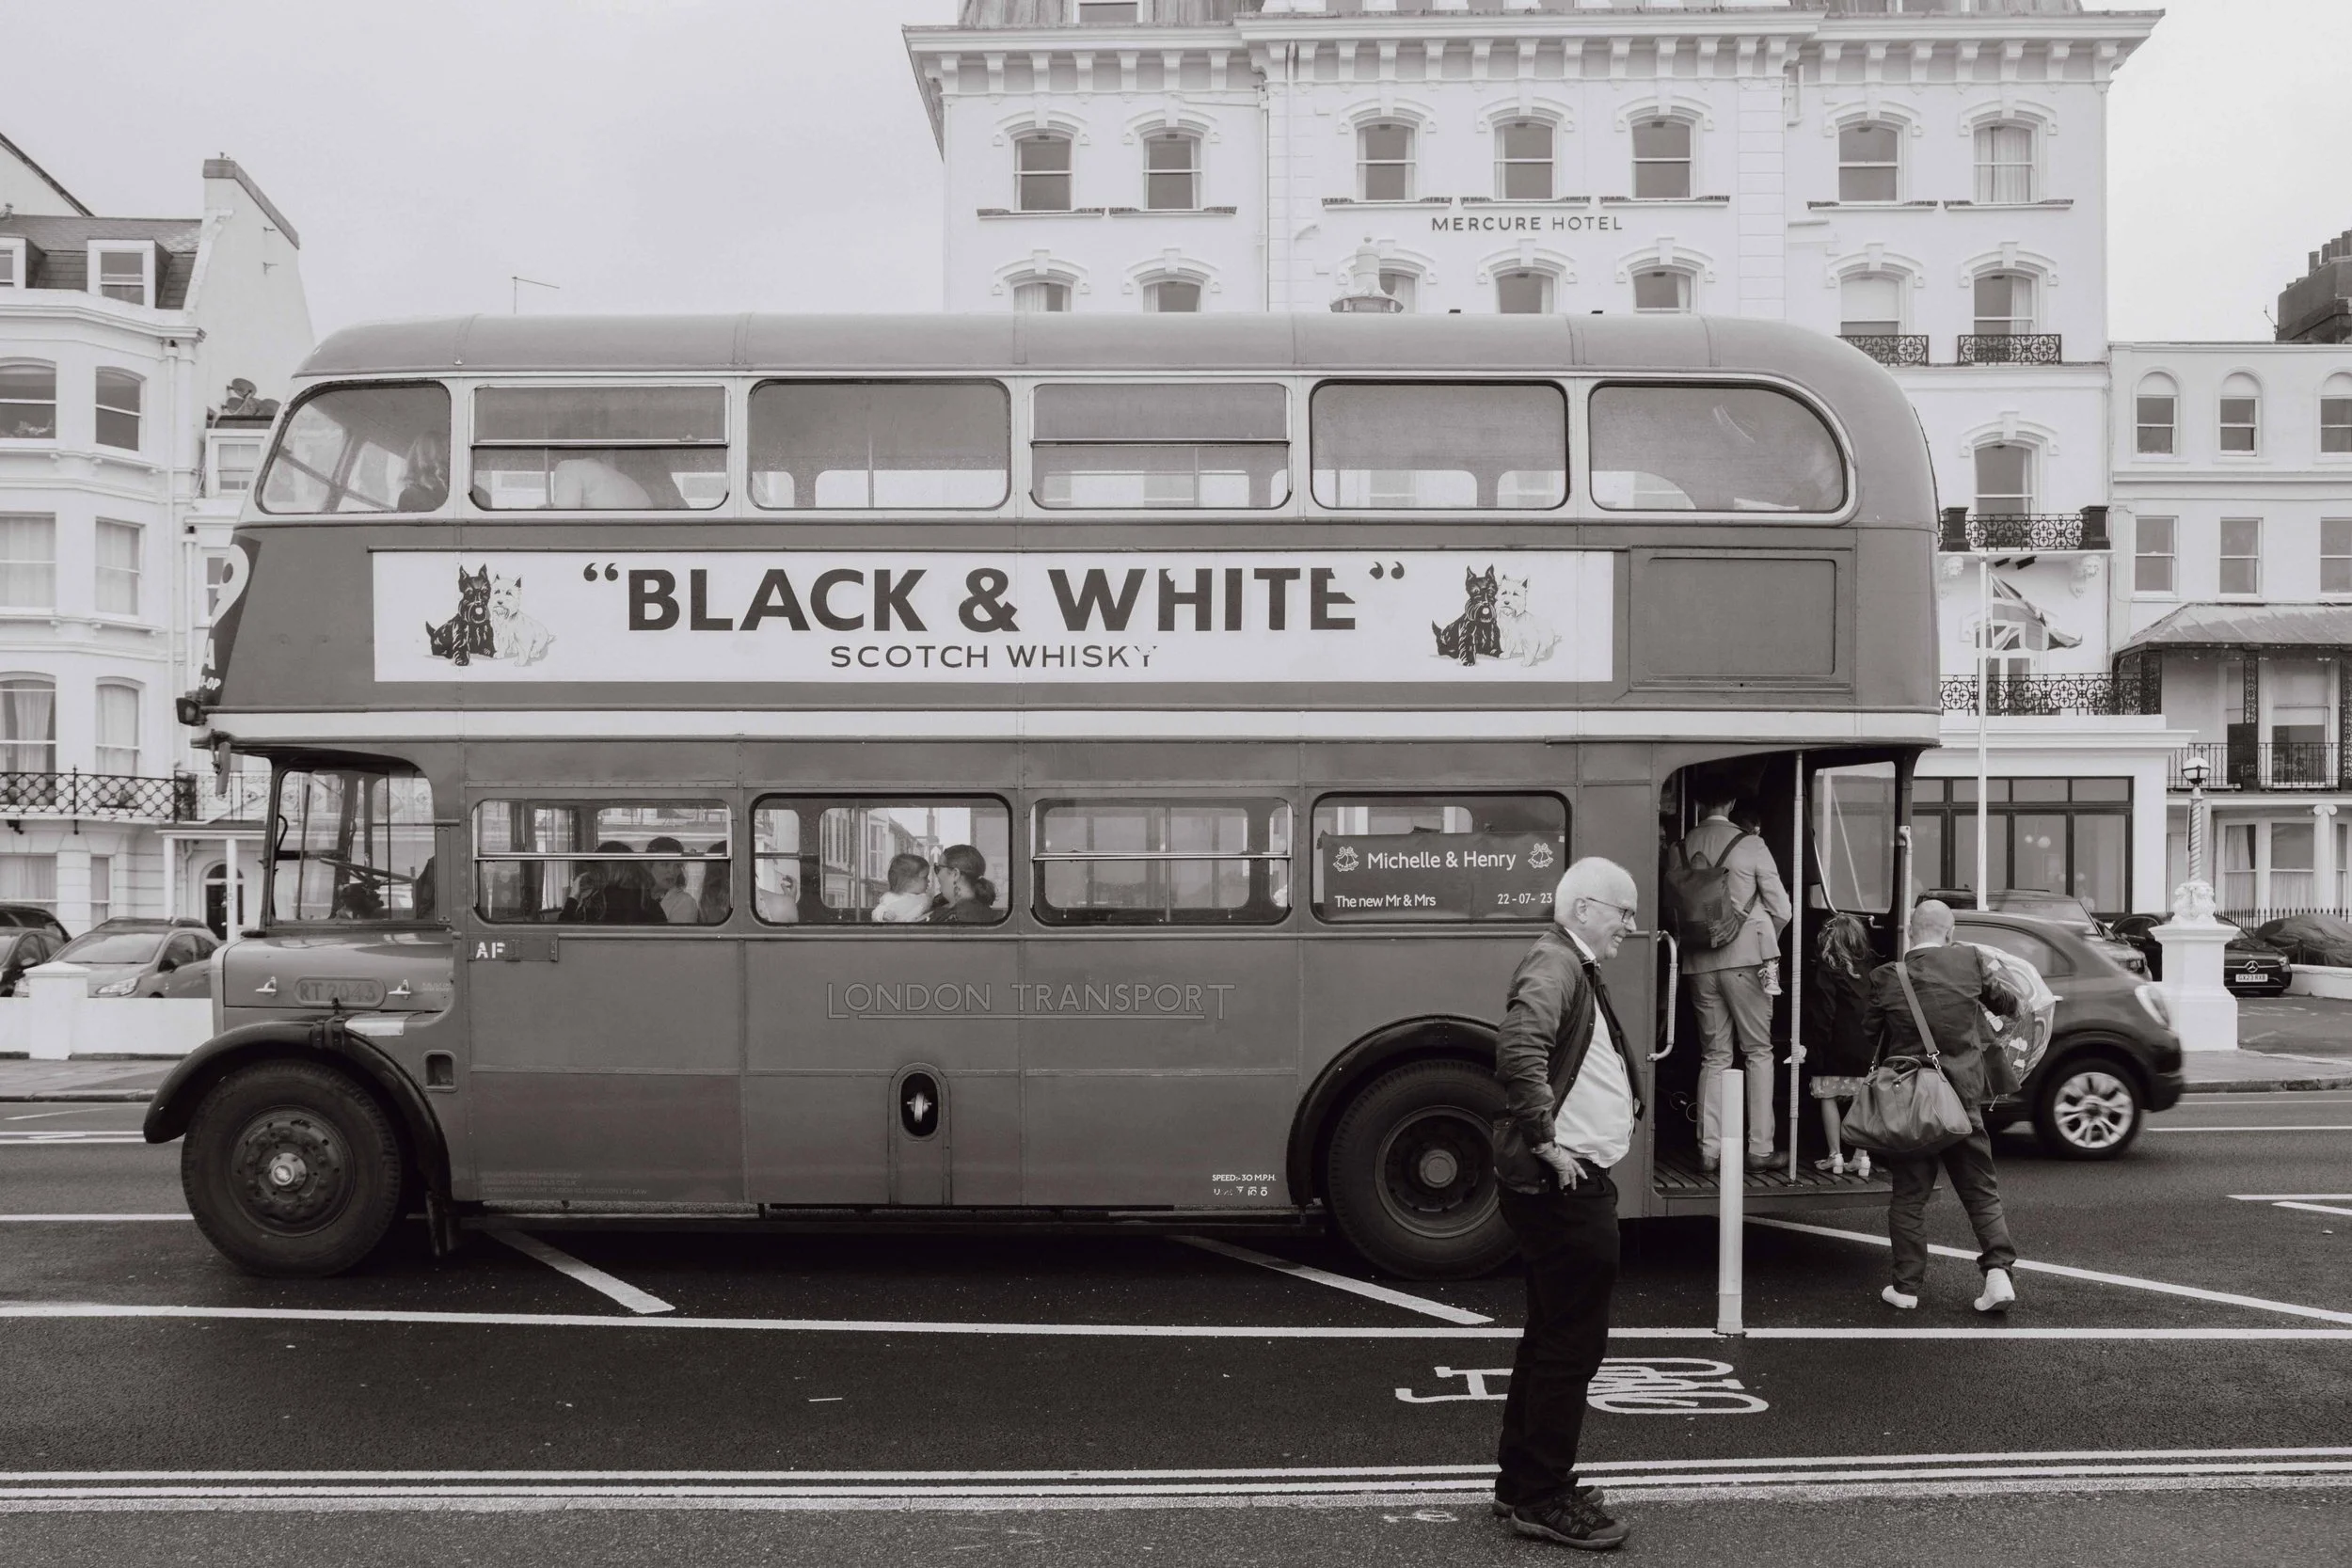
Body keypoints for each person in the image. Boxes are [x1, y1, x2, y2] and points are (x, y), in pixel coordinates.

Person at [1488, 857, 1645, 1554]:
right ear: (1585, 908)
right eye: (1623, 910)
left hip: (1569, 1179)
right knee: (1572, 1340)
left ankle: (1520, 1480)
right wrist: (1548, 1142)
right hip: (1564, 1183)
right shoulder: (1555, 963)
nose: (1631, 925)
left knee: (1550, 1329)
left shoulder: (1569, 964)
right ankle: (1543, 1495)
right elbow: (1520, 1047)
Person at [1865, 898, 2030, 1314]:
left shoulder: (1885, 977)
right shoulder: (1970, 960)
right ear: (1951, 931)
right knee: (1980, 1192)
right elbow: (2010, 1004)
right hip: (1962, 1098)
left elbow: (1866, 1034)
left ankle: (1905, 1288)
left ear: (1909, 932)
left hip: (1911, 1103)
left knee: (1909, 1196)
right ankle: (1997, 1276)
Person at [1678, 792, 1791, 1172]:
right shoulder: (1752, 844)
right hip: (1746, 961)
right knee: (1758, 1051)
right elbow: (1783, 908)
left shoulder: (1681, 845)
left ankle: (1709, 1150)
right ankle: (1760, 1148)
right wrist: (1761, 940)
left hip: (1697, 962)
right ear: (1728, 804)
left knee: (1715, 1056)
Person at [1803, 912, 1876, 1179]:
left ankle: (1835, 1155)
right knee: (1860, 1101)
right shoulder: (1868, 972)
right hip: (1864, 1047)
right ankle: (1862, 1156)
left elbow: (1824, 1013)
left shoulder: (1826, 971)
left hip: (1834, 1046)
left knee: (1828, 1098)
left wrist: (1815, 1049)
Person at [562, 842, 658, 925]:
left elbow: (560, 931)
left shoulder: (596, 906)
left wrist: (573, 897)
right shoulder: (648, 904)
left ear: (601, 871)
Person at [926, 845, 997, 926]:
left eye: (938, 868)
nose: (937, 875)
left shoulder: (958, 918)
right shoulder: (979, 910)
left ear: (955, 874)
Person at [871, 853, 935, 925]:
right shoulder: (891, 897)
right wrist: (883, 915)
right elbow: (876, 912)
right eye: (925, 877)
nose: (928, 881)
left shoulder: (924, 897)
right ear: (910, 881)